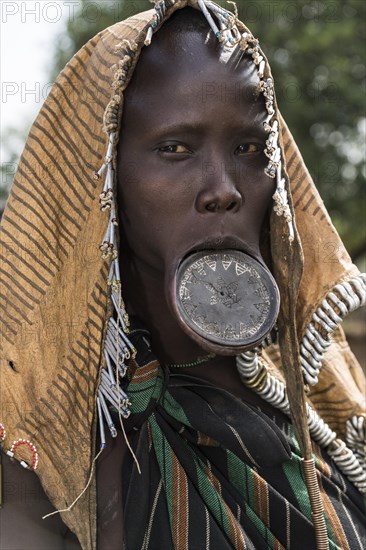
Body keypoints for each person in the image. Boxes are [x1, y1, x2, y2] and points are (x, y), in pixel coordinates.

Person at [0, 1, 365, 549]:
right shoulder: (41, 436)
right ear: (102, 179)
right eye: (175, 148)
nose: (224, 188)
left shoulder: (312, 387)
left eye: (248, 148)